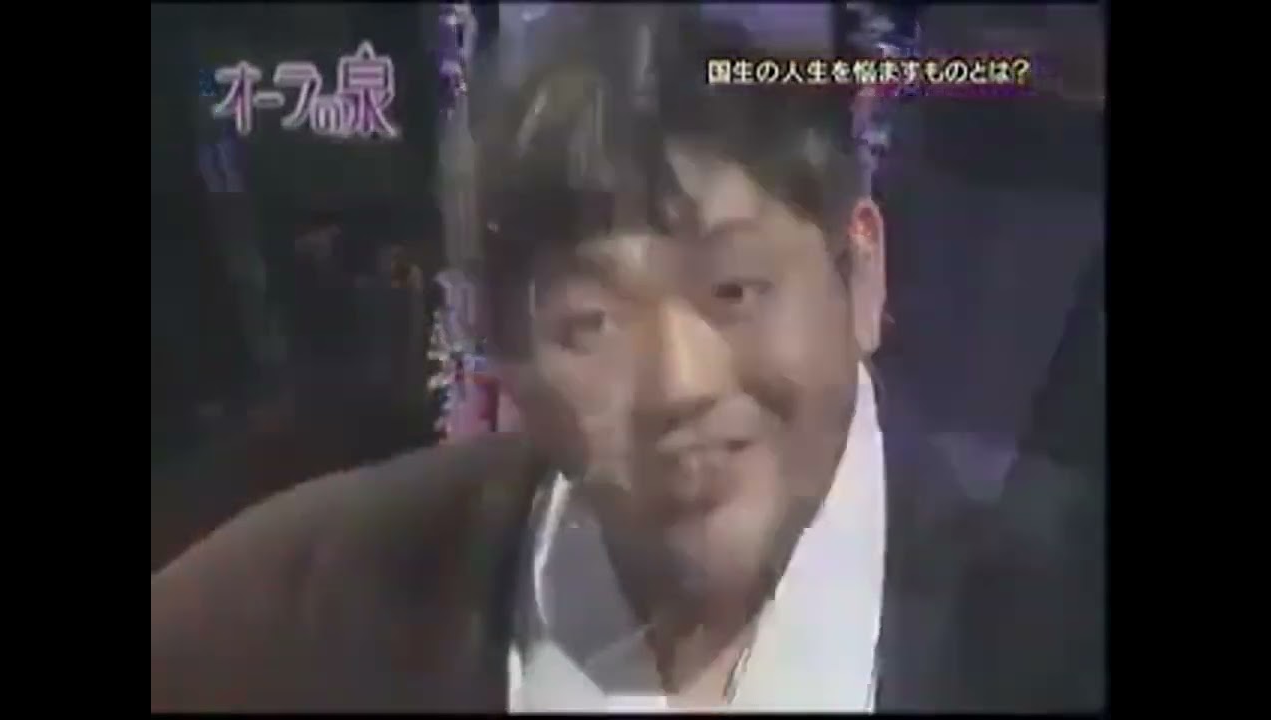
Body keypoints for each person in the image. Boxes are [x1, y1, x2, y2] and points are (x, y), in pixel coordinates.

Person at [151, 10, 1103, 712]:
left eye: (734, 290)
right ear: (503, 352)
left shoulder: (1060, 612)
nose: (680, 384)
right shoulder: (324, 593)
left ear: (861, 269)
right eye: (591, 323)